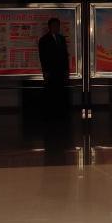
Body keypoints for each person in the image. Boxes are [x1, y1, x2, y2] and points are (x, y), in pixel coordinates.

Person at [38, 17, 70, 163]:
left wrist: (66, 71)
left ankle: (60, 116)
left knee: (60, 94)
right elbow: (43, 57)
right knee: (50, 94)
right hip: (50, 72)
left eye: (58, 25)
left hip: (60, 72)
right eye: (55, 26)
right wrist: (45, 72)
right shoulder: (44, 40)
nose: (57, 28)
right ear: (49, 27)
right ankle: (50, 117)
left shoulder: (62, 39)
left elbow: (65, 56)